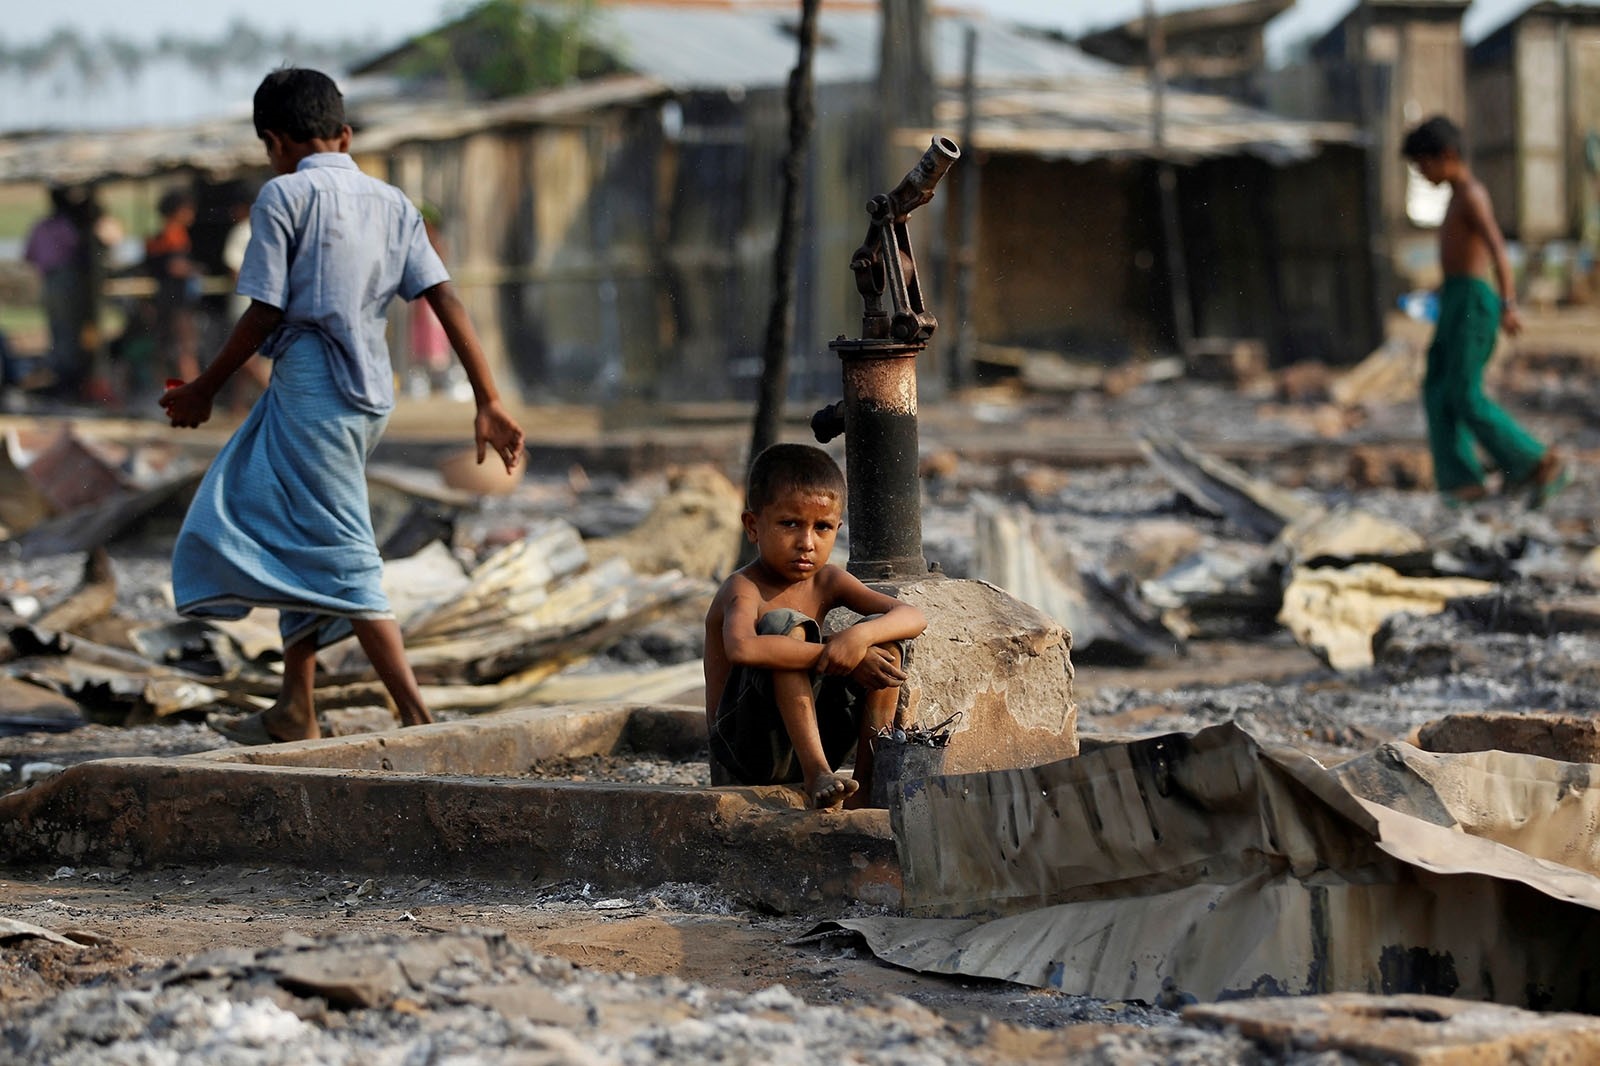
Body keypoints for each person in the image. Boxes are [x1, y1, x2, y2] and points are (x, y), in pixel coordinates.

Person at [162, 67, 525, 744]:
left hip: (313, 391)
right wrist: (489, 399)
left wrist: (203, 388)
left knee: (343, 549)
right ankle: (295, 705)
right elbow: (444, 298)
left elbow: (266, 309)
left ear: (274, 142)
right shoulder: (392, 202)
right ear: (346, 135)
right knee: (286, 518)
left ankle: (417, 719)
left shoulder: (282, 197)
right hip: (368, 395)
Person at [703, 443, 927, 809]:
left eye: (822, 527)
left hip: (805, 736)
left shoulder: (828, 581)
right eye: (790, 524)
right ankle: (818, 772)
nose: (806, 543)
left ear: (838, 528)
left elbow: (912, 617)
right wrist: (835, 651)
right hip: (745, 752)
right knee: (785, 628)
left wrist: (859, 637)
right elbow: (743, 648)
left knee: (885, 646)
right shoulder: (743, 588)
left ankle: (865, 785)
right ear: (753, 526)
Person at [1402, 115, 1569, 507]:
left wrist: (1508, 304)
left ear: (1446, 155)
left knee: (1464, 393)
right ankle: (1461, 482)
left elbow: (1497, 248)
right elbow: (1462, 259)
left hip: (1475, 302)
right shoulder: (1454, 199)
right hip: (1456, 299)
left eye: (1423, 164)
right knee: (1437, 387)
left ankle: (1537, 462)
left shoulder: (1473, 194)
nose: (1422, 173)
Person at [23, 187, 88, 396]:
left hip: (48, 282)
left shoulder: (40, 226)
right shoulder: (66, 226)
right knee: (69, 332)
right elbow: (80, 251)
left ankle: (61, 378)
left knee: (57, 330)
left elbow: (28, 256)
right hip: (65, 279)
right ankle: (68, 382)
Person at [144, 187, 202, 387]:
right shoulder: (175, 235)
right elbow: (175, 267)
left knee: (166, 349)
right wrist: (195, 269)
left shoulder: (158, 236)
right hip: (177, 301)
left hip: (164, 299)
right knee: (185, 349)